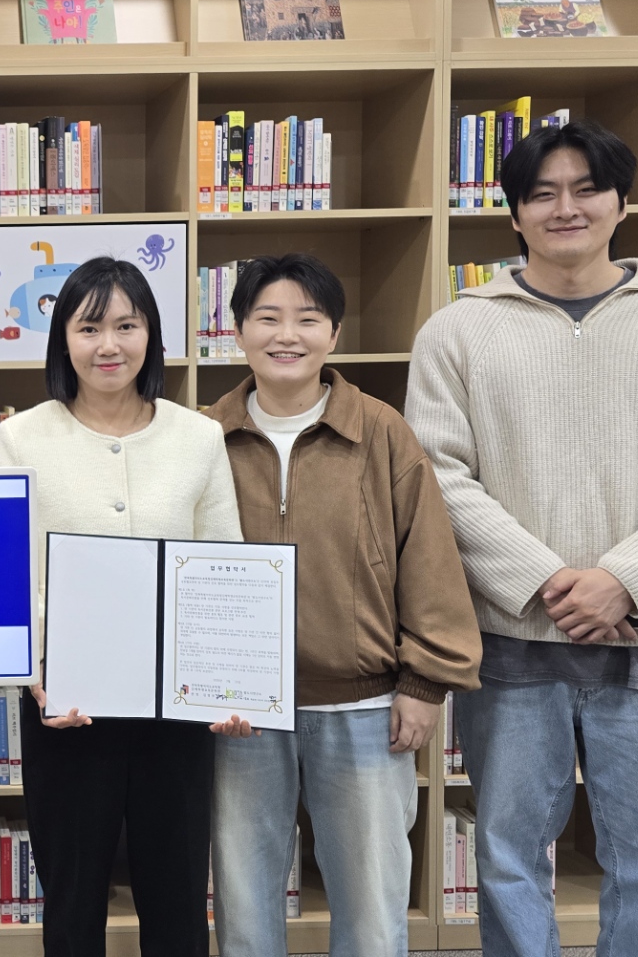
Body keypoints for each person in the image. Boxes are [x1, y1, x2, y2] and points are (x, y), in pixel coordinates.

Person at [405, 120, 638, 957]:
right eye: (540, 194)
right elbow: (436, 474)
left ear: (620, 203)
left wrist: (624, 582)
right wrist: (541, 579)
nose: (564, 208)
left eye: (585, 189)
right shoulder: (456, 330)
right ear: (512, 214)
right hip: (511, 639)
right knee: (505, 855)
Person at [207, 253, 481, 957]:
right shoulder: (203, 436)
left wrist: (425, 681)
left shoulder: (382, 430)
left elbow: (428, 557)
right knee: (241, 894)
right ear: (237, 331)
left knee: (371, 900)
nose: (286, 335)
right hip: (238, 712)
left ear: (333, 333)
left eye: (307, 319)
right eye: (266, 317)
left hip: (361, 705)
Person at [0, 256, 252, 957]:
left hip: (176, 708)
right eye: (89, 328)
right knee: (74, 902)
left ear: (151, 335)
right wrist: (36, 674)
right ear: (63, 341)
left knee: (177, 900)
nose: (109, 345)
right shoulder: (22, 438)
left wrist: (231, 681)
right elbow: (6, 574)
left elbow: (224, 566)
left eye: (127, 326)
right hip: (67, 704)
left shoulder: (196, 436)